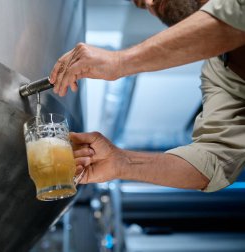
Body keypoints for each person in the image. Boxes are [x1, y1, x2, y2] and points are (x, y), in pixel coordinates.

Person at [49, 0, 245, 192]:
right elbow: (214, 161)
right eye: (142, 4)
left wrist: (118, 61)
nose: (150, 4)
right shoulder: (220, 71)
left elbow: (236, 15)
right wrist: (122, 163)